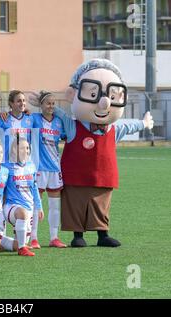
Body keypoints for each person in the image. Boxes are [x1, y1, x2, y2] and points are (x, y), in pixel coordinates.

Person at [54, 58, 154, 247]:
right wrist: (45, 102)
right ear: (72, 94)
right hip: (75, 175)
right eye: (92, 94)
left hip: (103, 176)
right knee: (76, 204)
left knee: (101, 205)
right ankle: (78, 235)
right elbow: (59, 114)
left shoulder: (113, 129)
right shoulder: (73, 126)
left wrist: (143, 123)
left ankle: (102, 234)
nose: (104, 102)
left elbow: (129, 125)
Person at [29, 91, 67, 249]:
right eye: (48, 103)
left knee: (54, 205)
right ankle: (33, 238)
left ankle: (54, 238)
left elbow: (66, 136)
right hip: (39, 168)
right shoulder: (34, 119)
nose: (51, 106)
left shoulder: (59, 122)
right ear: (41, 105)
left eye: (53, 103)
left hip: (54, 168)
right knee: (35, 204)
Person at [1, 137, 42, 257]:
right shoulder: (6, 167)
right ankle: (21, 249)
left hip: (28, 208)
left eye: (28, 148)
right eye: (23, 148)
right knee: (22, 214)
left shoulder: (31, 166)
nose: (27, 151)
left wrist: (39, 207)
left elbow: (34, 188)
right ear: (14, 150)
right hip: (11, 207)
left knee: (17, 243)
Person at [0, 90, 34, 163]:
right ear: (11, 103)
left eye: (24, 100)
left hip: (25, 164)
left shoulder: (30, 118)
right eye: (19, 101)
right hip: (8, 163)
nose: (22, 103)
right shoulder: (2, 119)